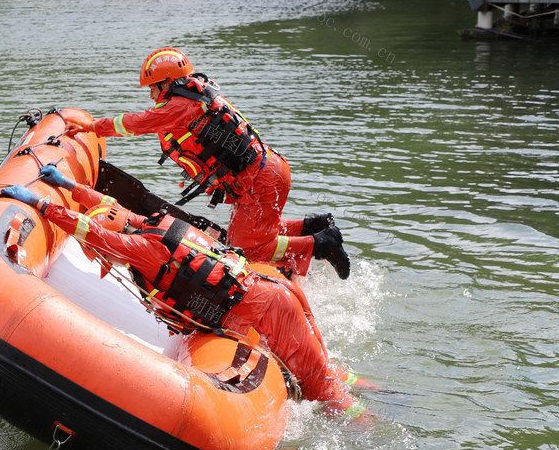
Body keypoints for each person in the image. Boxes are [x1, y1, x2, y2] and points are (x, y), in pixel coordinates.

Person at [0, 166, 368, 417]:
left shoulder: (141, 250)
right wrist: (68, 185)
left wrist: (42, 204)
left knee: (322, 390)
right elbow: (112, 210)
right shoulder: (154, 226)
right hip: (271, 290)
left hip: (269, 307)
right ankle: (367, 387)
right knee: (322, 369)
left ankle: (367, 428)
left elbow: (93, 232)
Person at [64, 47, 350, 280]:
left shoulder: (178, 107)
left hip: (259, 180)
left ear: (167, 82)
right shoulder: (195, 98)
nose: (151, 95)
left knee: (246, 250)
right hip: (263, 173)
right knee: (250, 236)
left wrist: (92, 126)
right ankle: (312, 226)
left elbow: (135, 123)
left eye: (153, 88)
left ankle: (322, 244)